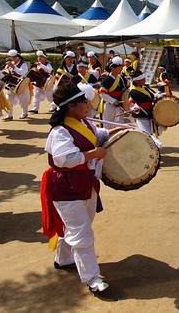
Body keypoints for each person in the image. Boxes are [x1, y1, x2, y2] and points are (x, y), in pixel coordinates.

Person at [40, 80, 124, 293]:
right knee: (82, 230)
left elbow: (96, 136)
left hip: (85, 184)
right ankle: (91, 277)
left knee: (79, 225)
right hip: (66, 187)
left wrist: (112, 133)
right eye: (83, 103)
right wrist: (93, 154)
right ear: (70, 107)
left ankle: (64, 259)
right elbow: (64, 159)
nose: (88, 106)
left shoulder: (83, 123)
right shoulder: (60, 131)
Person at [128, 71, 163, 137]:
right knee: (144, 134)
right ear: (137, 81)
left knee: (149, 133)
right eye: (143, 79)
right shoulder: (133, 91)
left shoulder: (145, 88)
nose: (145, 80)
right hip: (141, 115)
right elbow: (131, 102)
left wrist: (163, 95)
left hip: (149, 113)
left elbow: (154, 95)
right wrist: (135, 108)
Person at [97, 56, 127, 129]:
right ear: (112, 68)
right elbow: (102, 93)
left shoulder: (122, 78)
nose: (120, 69)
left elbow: (127, 89)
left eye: (121, 67)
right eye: (118, 68)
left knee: (120, 125)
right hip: (109, 104)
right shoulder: (107, 79)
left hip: (120, 105)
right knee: (108, 124)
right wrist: (112, 101)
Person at [3, 49, 31, 120]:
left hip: (21, 84)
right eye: (11, 57)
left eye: (14, 57)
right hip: (10, 84)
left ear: (18, 56)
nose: (13, 58)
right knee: (8, 99)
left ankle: (24, 113)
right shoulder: (9, 64)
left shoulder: (23, 64)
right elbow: (6, 71)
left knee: (24, 100)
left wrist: (13, 67)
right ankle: (9, 115)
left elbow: (22, 72)